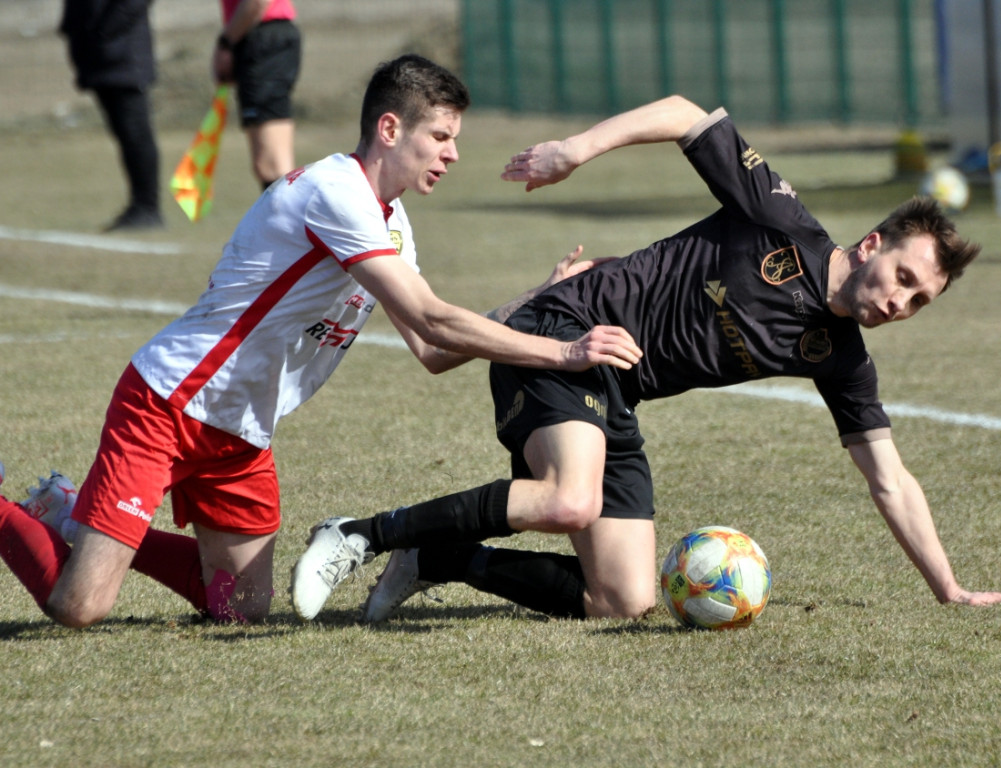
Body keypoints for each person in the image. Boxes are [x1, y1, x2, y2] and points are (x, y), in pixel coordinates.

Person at [290, 94, 1001, 624]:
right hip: (562, 332)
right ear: (872, 246)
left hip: (615, 394)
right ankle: (360, 534)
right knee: (569, 498)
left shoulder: (841, 359)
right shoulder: (782, 222)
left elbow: (890, 479)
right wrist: (573, 151)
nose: (900, 302)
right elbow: (685, 114)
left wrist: (950, 589)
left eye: (918, 300)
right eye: (903, 277)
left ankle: (440, 557)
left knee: (624, 601)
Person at [0, 55, 641, 629]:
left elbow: (435, 352)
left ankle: (70, 513)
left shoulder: (392, 223)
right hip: (170, 402)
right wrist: (564, 351)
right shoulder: (335, 192)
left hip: (243, 430)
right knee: (78, 606)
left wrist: (536, 297)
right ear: (391, 129)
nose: (451, 154)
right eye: (440, 137)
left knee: (240, 608)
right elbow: (433, 318)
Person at [60, 0, 163, 231]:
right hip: (97, 55)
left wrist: (103, 32)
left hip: (124, 55)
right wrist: (72, 29)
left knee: (135, 134)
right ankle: (139, 205)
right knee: (124, 135)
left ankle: (147, 207)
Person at [212, 0, 301, 189]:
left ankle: (287, 218)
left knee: (272, 163)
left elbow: (257, 2)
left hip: (263, 40)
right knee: (266, 164)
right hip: (258, 38)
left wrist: (226, 43)